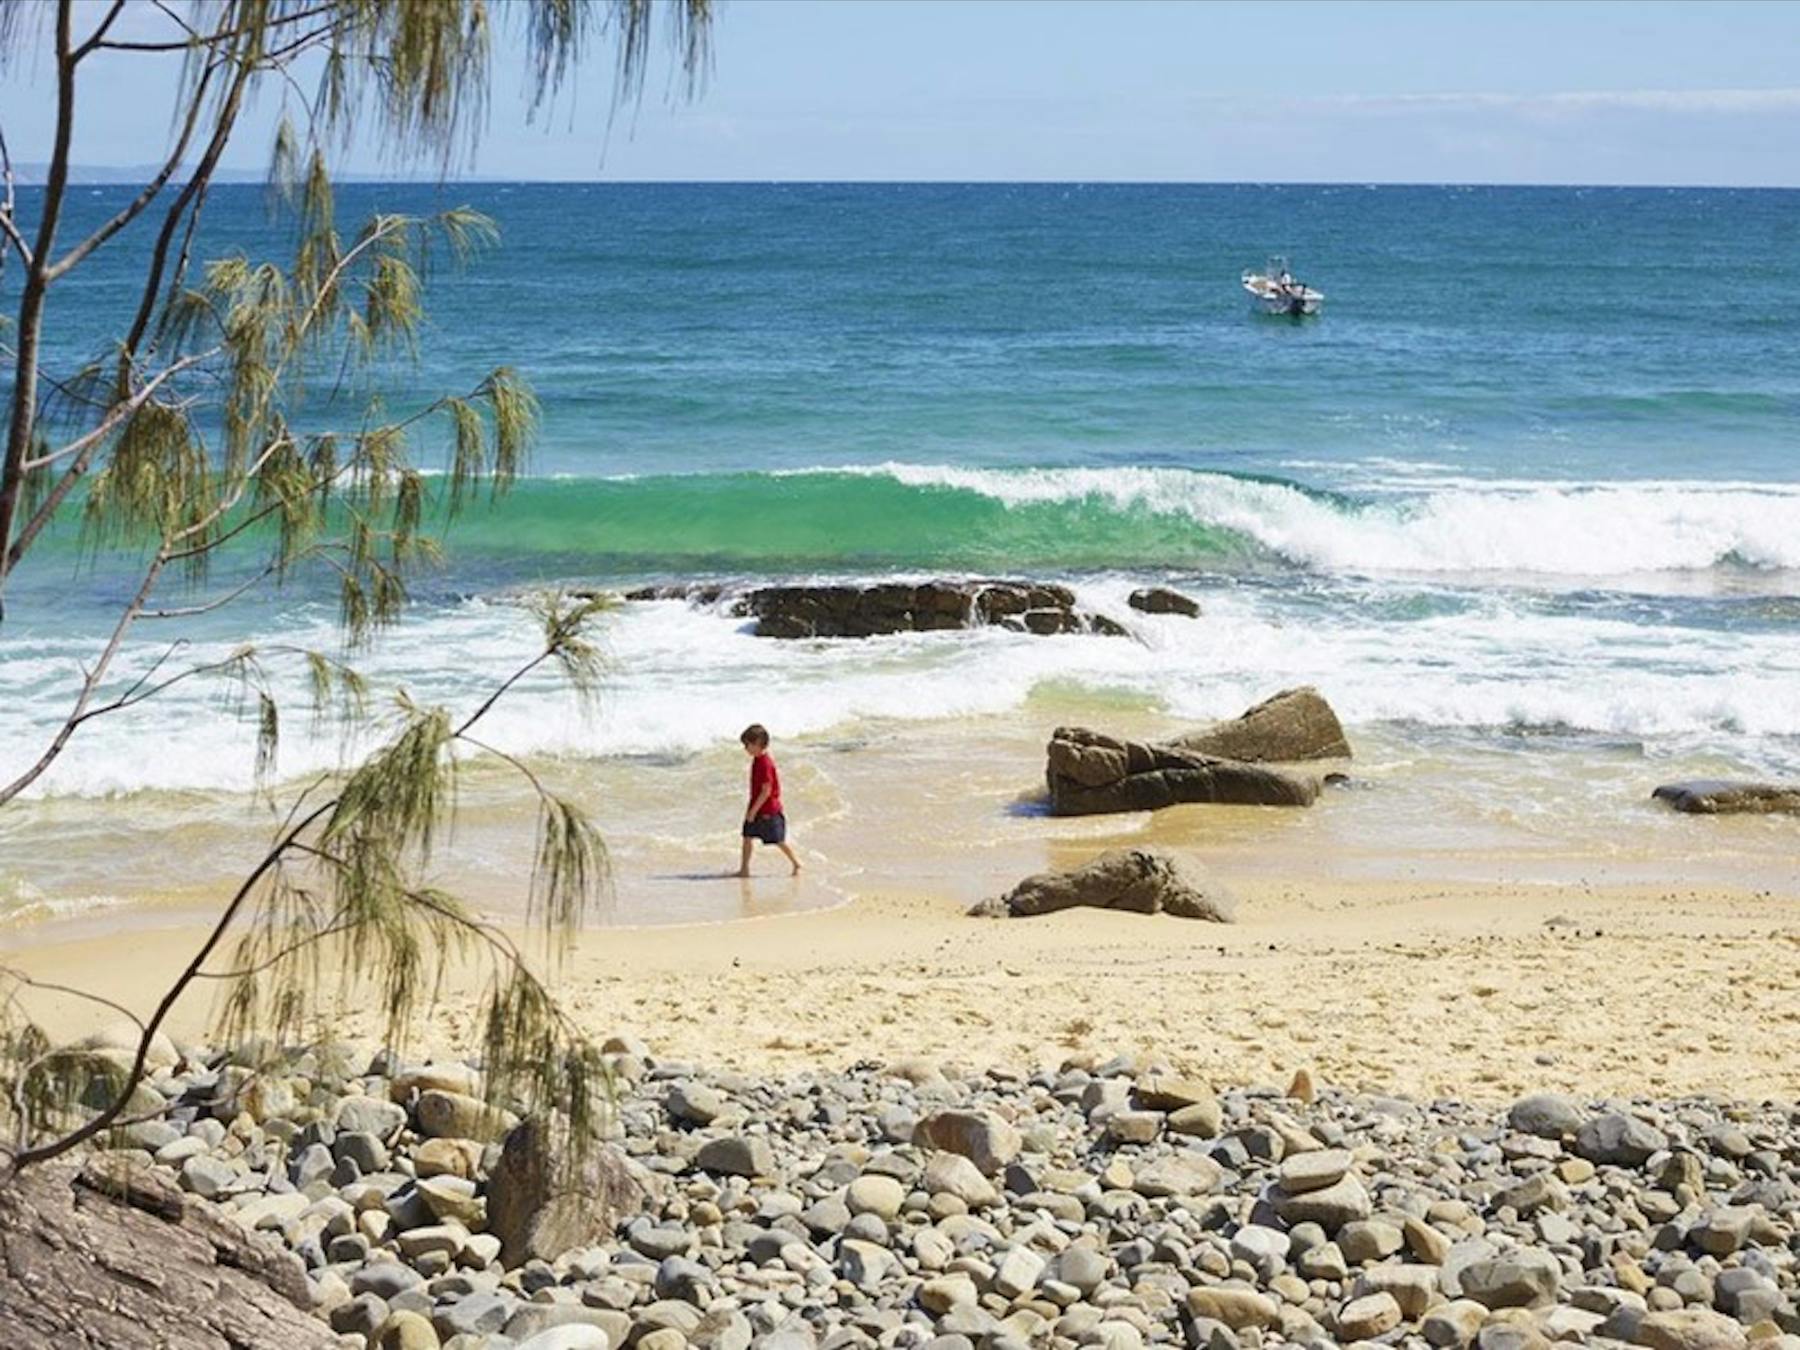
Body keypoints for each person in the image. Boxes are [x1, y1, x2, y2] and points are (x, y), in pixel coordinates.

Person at [736, 723, 800, 877]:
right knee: (747, 836)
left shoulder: (764, 763)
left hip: (767, 810)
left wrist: (753, 811)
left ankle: (796, 863)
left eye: (748, 745)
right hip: (757, 807)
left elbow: (766, 791)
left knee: (778, 840)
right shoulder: (757, 760)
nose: (746, 749)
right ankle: (744, 869)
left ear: (758, 744)